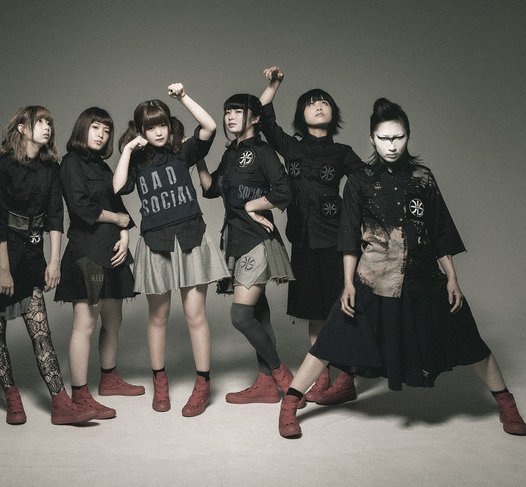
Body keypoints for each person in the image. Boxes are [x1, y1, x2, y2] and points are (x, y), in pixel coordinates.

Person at [278, 98, 526, 438]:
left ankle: (507, 404)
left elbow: (439, 231)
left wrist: (452, 277)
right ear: (372, 139)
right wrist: (348, 283)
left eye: (398, 137)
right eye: (384, 139)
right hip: (373, 278)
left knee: (469, 340)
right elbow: (348, 237)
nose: (392, 146)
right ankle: (290, 404)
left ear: (408, 136)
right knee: (328, 342)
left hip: (424, 277)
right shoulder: (360, 180)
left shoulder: (423, 178)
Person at [0, 106, 96, 426]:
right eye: (40, 122)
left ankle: (60, 402)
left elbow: (55, 216)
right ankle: (12, 399)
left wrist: (54, 262)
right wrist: (3, 270)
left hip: (31, 254)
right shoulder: (1, 167)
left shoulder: (50, 167)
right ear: (22, 128)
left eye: (50, 122)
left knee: (40, 331)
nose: (47, 127)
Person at [114, 83, 228, 417]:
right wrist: (127, 151)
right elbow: (118, 187)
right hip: (156, 241)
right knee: (158, 316)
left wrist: (182, 98)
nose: (159, 131)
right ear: (141, 130)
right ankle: (160, 381)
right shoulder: (137, 160)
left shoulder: (183, 151)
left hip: (190, 235)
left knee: (195, 315)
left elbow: (210, 126)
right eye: (151, 127)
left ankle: (203, 384)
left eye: (162, 124)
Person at [259, 66, 365, 405]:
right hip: (302, 241)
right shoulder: (291, 147)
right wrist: (274, 84)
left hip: (336, 242)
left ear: (333, 113)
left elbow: (368, 184)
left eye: (324, 102)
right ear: (301, 115)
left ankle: (346, 378)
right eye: (310, 103)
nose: (318, 106)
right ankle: (321, 378)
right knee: (314, 312)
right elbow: (263, 119)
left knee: (342, 309)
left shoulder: (343, 152)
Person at [196, 93, 299, 406]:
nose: (230, 116)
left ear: (254, 118)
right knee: (258, 313)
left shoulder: (263, 152)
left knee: (240, 316)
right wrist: (198, 157)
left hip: (258, 241)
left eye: (237, 111)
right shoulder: (231, 153)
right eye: (227, 111)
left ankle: (282, 375)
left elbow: (285, 190)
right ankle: (266, 385)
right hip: (236, 241)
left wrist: (254, 205)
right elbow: (211, 189)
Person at [55, 107, 143, 421]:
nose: (102, 135)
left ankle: (109, 379)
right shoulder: (70, 163)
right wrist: (117, 220)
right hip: (87, 252)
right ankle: (80, 395)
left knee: (114, 320)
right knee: (85, 325)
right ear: (83, 128)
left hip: (112, 251)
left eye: (106, 130)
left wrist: (125, 235)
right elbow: (80, 208)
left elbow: (118, 201)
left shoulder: (103, 167)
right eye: (96, 128)